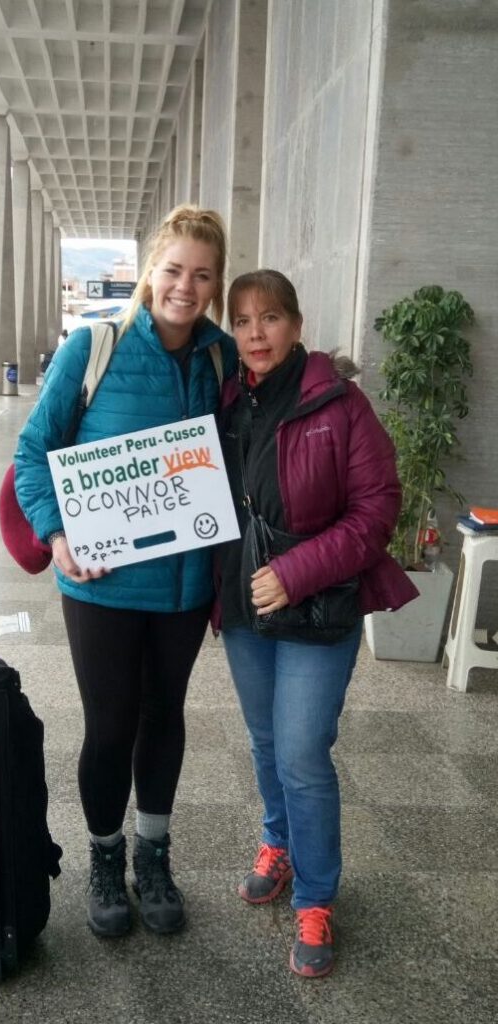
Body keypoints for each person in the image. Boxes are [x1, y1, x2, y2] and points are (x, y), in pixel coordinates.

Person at [14, 205, 236, 938]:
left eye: (201, 274)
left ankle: (153, 853)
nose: (185, 286)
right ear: (151, 271)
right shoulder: (95, 345)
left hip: (182, 584)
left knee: (163, 719)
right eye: (173, 269)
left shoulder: (219, 357)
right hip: (101, 580)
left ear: (214, 282)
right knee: (110, 726)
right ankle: (105, 858)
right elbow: (32, 451)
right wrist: (54, 533)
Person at [216, 270, 417, 978]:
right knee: (267, 742)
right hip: (244, 608)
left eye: (269, 318)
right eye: (242, 321)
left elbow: (377, 510)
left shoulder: (339, 402)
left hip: (317, 606)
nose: (256, 333)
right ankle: (278, 843)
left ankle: (317, 895)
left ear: (296, 324)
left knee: (302, 753)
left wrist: (296, 573)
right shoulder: (226, 400)